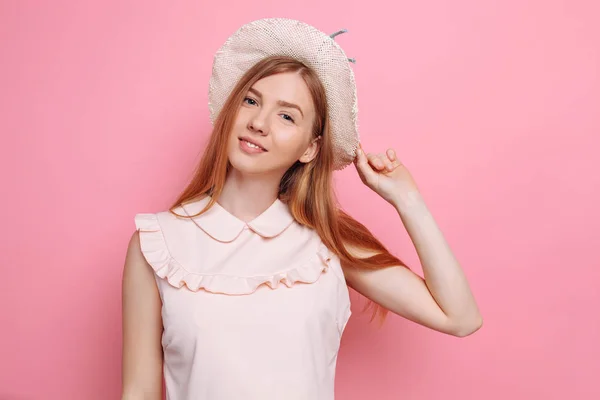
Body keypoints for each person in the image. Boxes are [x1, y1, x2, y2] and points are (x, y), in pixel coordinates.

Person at [121, 18, 482, 400]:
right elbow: (139, 392)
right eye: (251, 100)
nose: (258, 122)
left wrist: (408, 200)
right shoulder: (157, 245)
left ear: (310, 148)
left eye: (286, 115)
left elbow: (460, 317)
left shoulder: (327, 241)